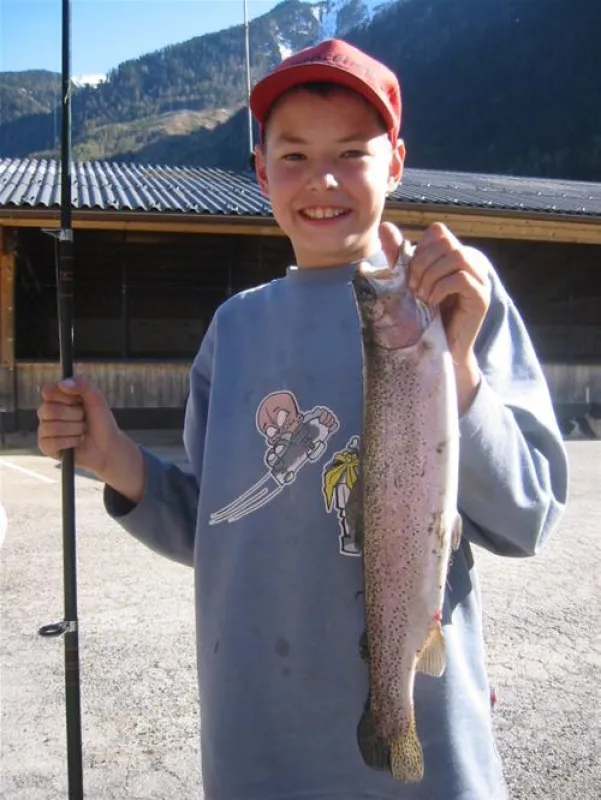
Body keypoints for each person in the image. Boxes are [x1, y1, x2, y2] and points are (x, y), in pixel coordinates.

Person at [37, 38, 568, 800]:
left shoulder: (457, 300)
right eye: (293, 156)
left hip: (425, 758)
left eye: (351, 152)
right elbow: (222, 526)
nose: (322, 179)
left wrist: (456, 364)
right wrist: (115, 455)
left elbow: (527, 519)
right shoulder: (235, 329)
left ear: (395, 163)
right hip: (257, 749)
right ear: (259, 172)